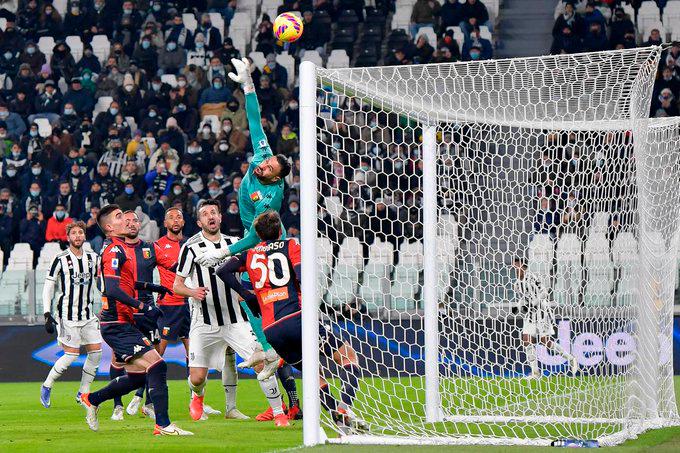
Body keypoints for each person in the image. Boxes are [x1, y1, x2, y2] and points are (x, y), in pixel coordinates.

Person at [193, 58, 298, 419]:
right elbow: (254, 121)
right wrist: (249, 83)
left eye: (268, 169)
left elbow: (256, 233)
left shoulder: (271, 197)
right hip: (251, 241)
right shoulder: (264, 155)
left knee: (263, 301)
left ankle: (273, 355)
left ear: (273, 179)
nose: (262, 165)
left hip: (268, 244)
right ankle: (269, 355)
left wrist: (224, 251)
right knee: (250, 300)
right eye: (265, 163)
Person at [217, 210, 366, 432]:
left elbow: (223, 270)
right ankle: (344, 408)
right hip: (296, 318)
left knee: (313, 375)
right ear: (279, 230)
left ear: (257, 234)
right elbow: (300, 273)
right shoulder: (290, 245)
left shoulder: (249, 254)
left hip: (272, 331)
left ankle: (339, 419)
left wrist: (248, 295)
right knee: (347, 356)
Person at [79, 204, 192, 436]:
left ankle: (91, 399)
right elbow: (111, 289)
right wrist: (143, 306)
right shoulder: (113, 251)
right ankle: (163, 424)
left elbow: (126, 284)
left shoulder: (121, 249)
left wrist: (153, 286)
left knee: (137, 377)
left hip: (124, 322)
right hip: (116, 323)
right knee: (158, 365)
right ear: (110, 227)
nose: (127, 220)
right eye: (120, 217)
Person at [173, 200, 287, 425]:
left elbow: (251, 271)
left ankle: (278, 413)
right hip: (203, 321)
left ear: (220, 217)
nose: (210, 216)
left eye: (214, 212)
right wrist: (192, 291)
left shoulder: (235, 243)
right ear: (199, 222)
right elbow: (177, 285)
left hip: (236, 319)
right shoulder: (190, 247)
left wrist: (246, 291)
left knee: (261, 363)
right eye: (205, 214)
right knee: (196, 378)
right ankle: (197, 396)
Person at [40, 221, 101, 408]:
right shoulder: (60, 259)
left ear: (84, 236)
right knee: (71, 355)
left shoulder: (93, 258)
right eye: (73, 233)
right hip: (67, 316)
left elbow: (104, 281)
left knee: (96, 353)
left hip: (88, 315)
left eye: (80, 233)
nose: (77, 236)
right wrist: (46, 313)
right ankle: (47, 385)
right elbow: (49, 286)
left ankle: (83, 393)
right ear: (68, 237)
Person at [512, 259, 579, 379]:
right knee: (526, 340)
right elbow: (523, 298)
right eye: (514, 265)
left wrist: (534, 302)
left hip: (541, 312)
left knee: (545, 342)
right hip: (530, 315)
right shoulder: (517, 284)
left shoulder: (532, 278)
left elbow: (544, 292)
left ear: (523, 266)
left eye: (518, 264)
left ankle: (571, 359)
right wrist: (517, 307)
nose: (516, 267)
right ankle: (535, 373)